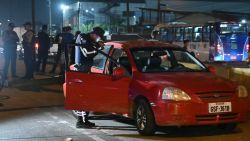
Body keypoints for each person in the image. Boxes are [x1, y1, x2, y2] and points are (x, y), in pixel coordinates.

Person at [74, 27, 105, 128]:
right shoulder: (83, 37)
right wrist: (98, 47)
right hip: (80, 71)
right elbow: (87, 53)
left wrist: (97, 45)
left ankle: (85, 120)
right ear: (93, 34)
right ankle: (80, 121)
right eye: (98, 36)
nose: (97, 38)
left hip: (86, 71)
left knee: (87, 96)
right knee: (82, 96)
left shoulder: (89, 40)